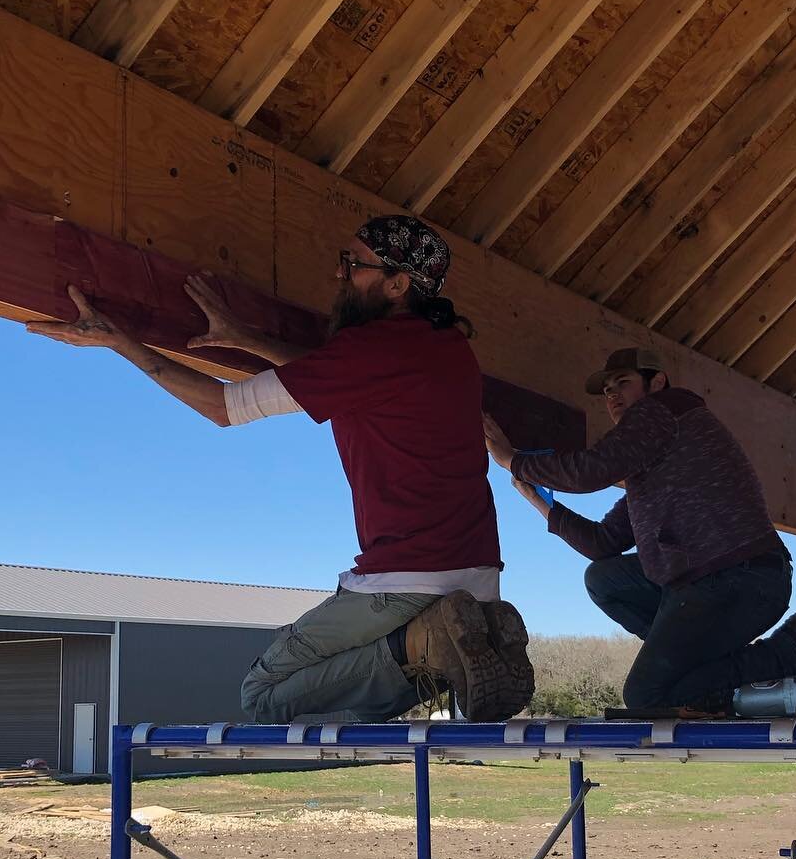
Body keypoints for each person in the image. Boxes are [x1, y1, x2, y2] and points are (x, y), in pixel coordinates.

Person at [28, 214, 534, 724]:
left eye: (354, 264)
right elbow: (336, 375)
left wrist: (119, 341)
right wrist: (247, 339)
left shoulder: (372, 349)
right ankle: (445, 650)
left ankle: (423, 647)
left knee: (265, 693)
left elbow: (223, 407)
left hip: (406, 576)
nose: (342, 275)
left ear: (397, 284)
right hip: (477, 574)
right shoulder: (448, 350)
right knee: (356, 692)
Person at [483, 346, 796, 716]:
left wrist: (510, 460)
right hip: (712, 582)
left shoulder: (663, 411)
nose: (613, 395)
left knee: (647, 696)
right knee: (604, 579)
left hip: (736, 577)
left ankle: (789, 653)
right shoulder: (658, 466)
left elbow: (589, 470)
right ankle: (700, 668)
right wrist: (537, 500)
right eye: (607, 390)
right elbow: (603, 543)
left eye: (623, 383)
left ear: (657, 382)